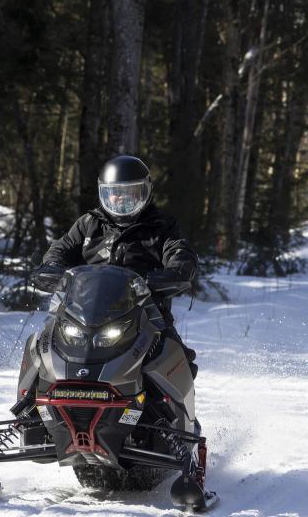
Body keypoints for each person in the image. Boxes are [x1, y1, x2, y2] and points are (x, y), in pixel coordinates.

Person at [33, 155, 198, 374]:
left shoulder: (161, 226)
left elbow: (178, 250)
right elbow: (61, 248)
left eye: (130, 193)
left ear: (145, 192)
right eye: (114, 194)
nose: (121, 200)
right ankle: (31, 398)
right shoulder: (88, 224)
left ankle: (172, 406)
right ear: (104, 194)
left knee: (176, 357)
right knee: (43, 345)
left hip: (143, 311)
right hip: (83, 312)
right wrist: (53, 266)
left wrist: (177, 270)